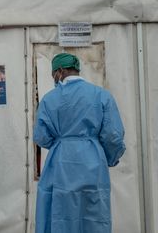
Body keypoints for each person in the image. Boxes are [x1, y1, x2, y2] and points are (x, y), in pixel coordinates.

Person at [34, 53, 126, 233]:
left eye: (53, 74)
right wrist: (109, 157)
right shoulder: (101, 95)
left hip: (60, 162)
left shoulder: (49, 99)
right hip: (93, 161)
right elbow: (113, 135)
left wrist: (61, 143)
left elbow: (41, 136)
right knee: (94, 213)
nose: (54, 78)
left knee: (60, 212)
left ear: (60, 71)